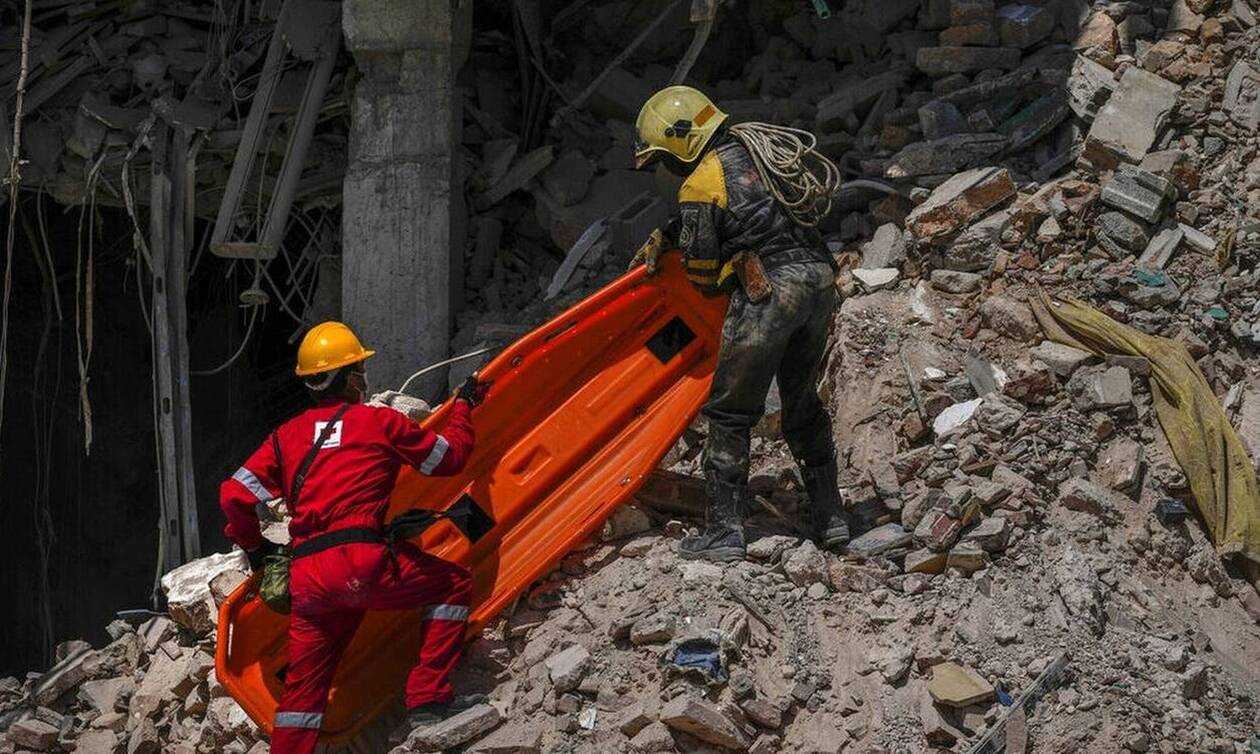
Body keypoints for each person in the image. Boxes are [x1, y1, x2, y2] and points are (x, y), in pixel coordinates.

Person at [218, 321, 486, 754]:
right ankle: (428, 697)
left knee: (303, 693)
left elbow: (233, 495)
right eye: (359, 369)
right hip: (361, 562)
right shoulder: (378, 422)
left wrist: (256, 548)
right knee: (452, 584)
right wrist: (462, 408)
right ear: (349, 378)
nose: (363, 377)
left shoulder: (285, 438)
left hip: (309, 578)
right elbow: (448, 458)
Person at [630, 85, 848, 562]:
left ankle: (724, 532)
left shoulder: (700, 182)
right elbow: (760, 214)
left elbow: (703, 277)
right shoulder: (759, 154)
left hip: (770, 292)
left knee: (731, 414)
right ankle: (832, 517)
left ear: (679, 145)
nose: (664, 169)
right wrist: (676, 232)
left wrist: (709, 260)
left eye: (663, 159)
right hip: (818, 280)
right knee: (802, 403)